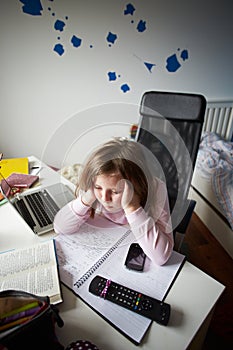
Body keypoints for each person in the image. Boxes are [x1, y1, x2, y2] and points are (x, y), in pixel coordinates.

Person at [53, 138, 174, 265]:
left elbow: (161, 257)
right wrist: (87, 197)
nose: (105, 198)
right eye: (98, 188)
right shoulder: (95, 188)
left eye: (115, 192)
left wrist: (132, 207)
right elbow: (60, 227)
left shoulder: (157, 189)